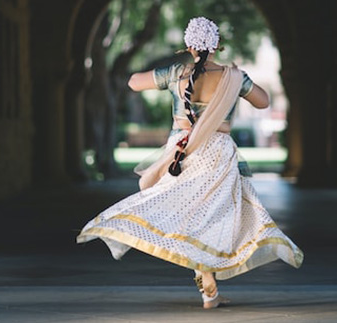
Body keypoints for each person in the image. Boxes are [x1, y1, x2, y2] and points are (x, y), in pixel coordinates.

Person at [77, 17, 303, 309]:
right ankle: (209, 284)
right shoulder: (232, 77)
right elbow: (263, 102)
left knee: (184, 213)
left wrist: (166, 74)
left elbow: (133, 82)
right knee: (213, 216)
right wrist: (241, 81)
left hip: (180, 153)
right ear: (218, 46)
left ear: (188, 46)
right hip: (218, 154)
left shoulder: (177, 74)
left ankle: (206, 283)